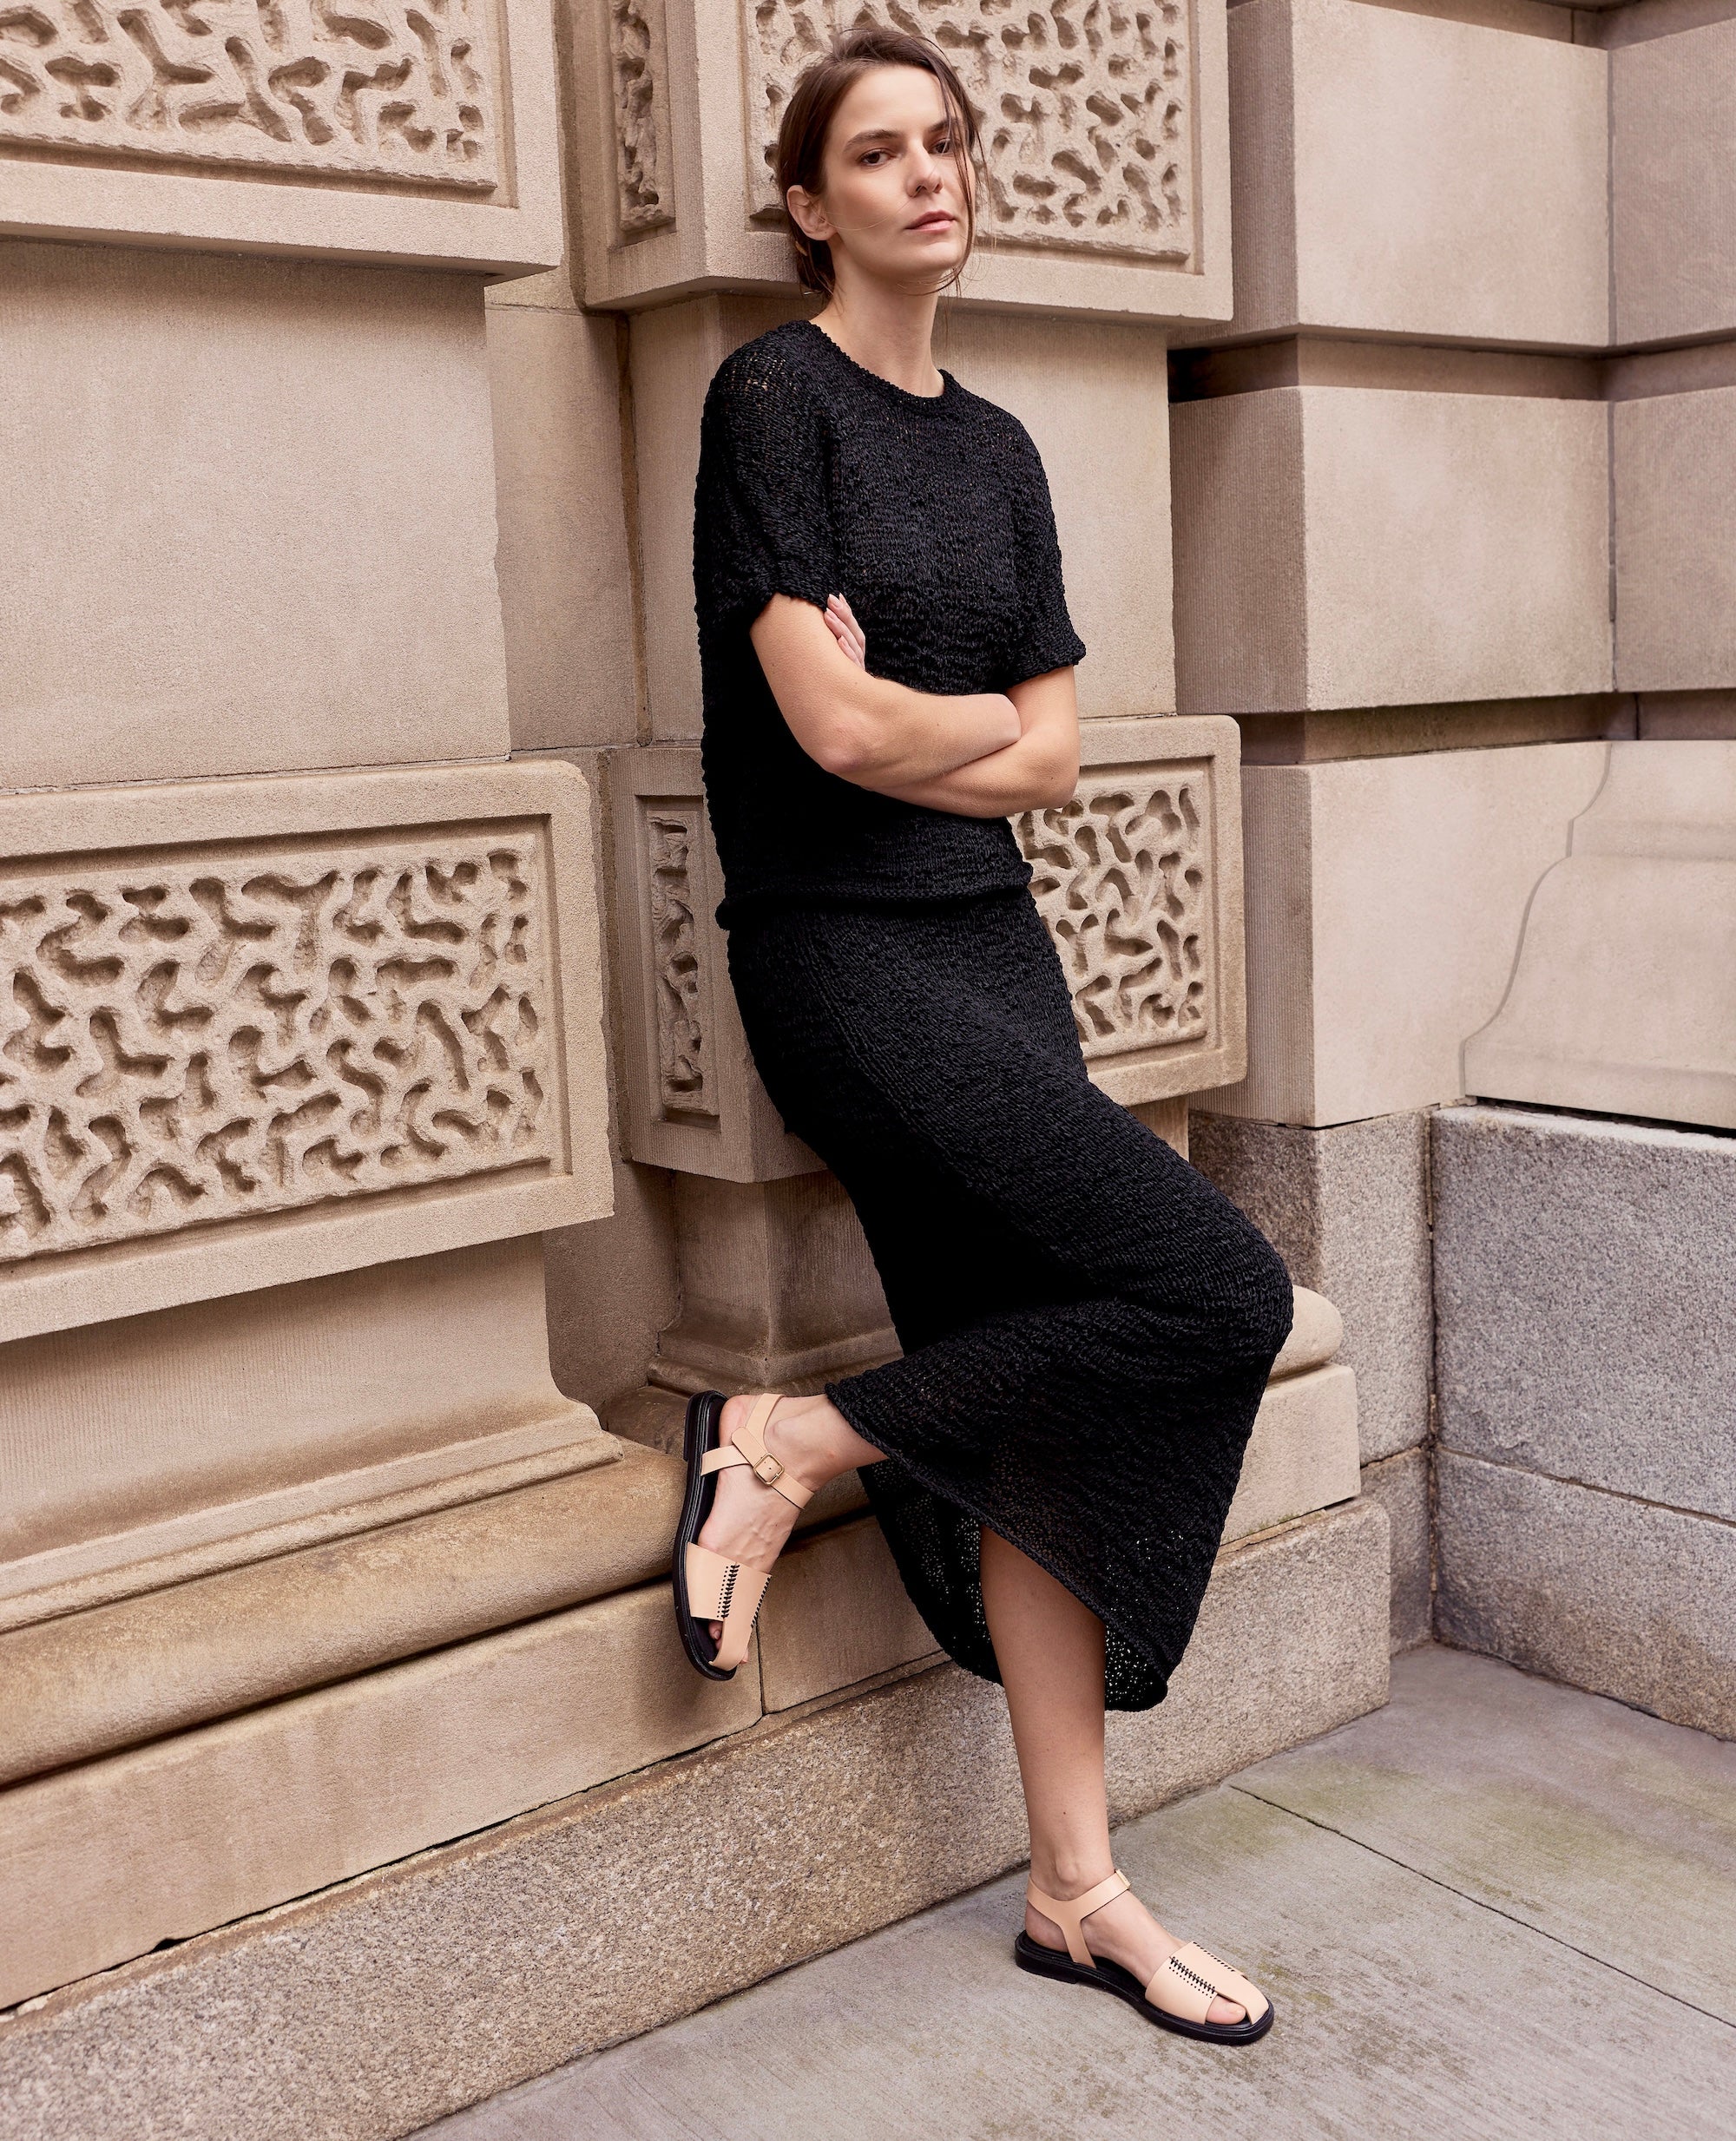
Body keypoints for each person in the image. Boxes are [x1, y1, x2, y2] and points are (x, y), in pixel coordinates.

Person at [672, 24, 1294, 2046]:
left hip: (990, 954)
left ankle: (1073, 1888)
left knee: (1039, 1409)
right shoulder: (772, 400)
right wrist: (961, 741)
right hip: (840, 957)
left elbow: (1060, 759)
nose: (927, 175)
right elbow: (830, 736)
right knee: (1210, 1284)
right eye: (877, 151)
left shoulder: (1003, 449)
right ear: (806, 200)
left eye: (947, 141)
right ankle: (791, 1440)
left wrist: (946, 741)